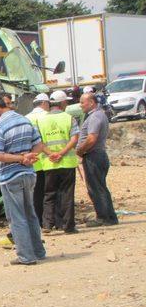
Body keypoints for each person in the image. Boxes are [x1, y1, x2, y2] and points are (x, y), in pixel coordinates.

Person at [0, 96, 46, 265]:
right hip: (29, 174)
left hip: (11, 177)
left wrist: (20, 158)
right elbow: (40, 145)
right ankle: (38, 252)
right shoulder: (25, 121)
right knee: (31, 214)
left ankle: (26, 256)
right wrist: (29, 157)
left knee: (17, 217)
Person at [37, 90, 80, 234]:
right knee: (67, 194)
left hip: (49, 163)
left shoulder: (41, 120)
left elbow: (39, 142)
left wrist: (51, 154)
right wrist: (61, 153)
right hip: (67, 163)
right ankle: (68, 226)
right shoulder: (69, 118)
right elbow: (74, 139)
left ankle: (47, 225)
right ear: (62, 103)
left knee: (49, 194)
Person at [76, 93, 118, 227]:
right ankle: (109, 216)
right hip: (96, 155)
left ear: (92, 102)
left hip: (94, 155)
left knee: (96, 188)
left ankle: (104, 217)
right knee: (100, 187)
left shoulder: (95, 117)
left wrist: (80, 150)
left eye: (83, 102)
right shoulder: (98, 115)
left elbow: (91, 138)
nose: (80, 105)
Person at [25, 93, 50, 223]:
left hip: (33, 162)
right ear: (45, 103)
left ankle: (37, 221)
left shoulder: (26, 118)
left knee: (36, 194)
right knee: (49, 194)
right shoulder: (48, 116)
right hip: (50, 161)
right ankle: (50, 221)